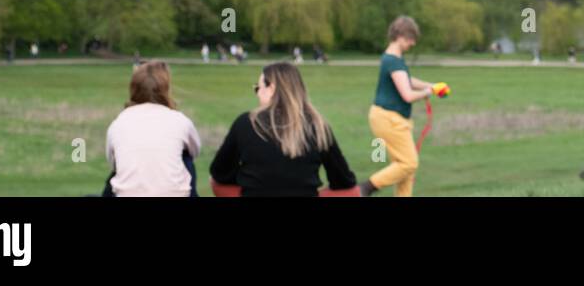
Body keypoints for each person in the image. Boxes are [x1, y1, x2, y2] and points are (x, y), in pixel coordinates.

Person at [209, 61, 357, 196]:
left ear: (271, 89)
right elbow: (344, 181)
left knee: (215, 183)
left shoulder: (246, 123)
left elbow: (219, 173)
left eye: (258, 88)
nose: (257, 94)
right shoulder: (317, 125)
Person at [360, 16, 435, 197]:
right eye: (411, 39)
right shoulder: (393, 60)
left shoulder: (392, 58)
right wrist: (428, 93)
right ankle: (366, 188)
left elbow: (406, 80)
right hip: (389, 119)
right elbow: (407, 95)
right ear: (400, 36)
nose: (413, 43)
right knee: (409, 163)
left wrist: (430, 86)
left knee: (405, 171)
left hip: (389, 118)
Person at [104, 61, 201, 197]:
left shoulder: (118, 123)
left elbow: (113, 162)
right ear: (166, 89)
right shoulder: (180, 121)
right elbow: (195, 151)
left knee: (119, 170)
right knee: (185, 157)